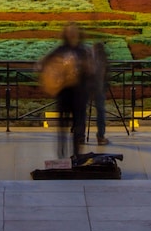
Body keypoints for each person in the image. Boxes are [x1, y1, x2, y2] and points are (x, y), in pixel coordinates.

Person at [39, 24, 91, 160]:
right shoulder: (60, 50)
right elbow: (44, 63)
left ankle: (76, 155)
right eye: (70, 32)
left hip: (79, 94)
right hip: (64, 94)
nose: (72, 34)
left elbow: (91, 70)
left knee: (78, 125)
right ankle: (62, 155)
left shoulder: (83, 51)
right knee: (63, 126)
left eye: (74, 31)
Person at [87, 39, 110, 147]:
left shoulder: (90, 58)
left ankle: (80, 136)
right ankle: (100, 136)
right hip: (98, 88)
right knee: (100, 112)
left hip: (89, 87)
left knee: (82, 111)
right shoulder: (102, 59)